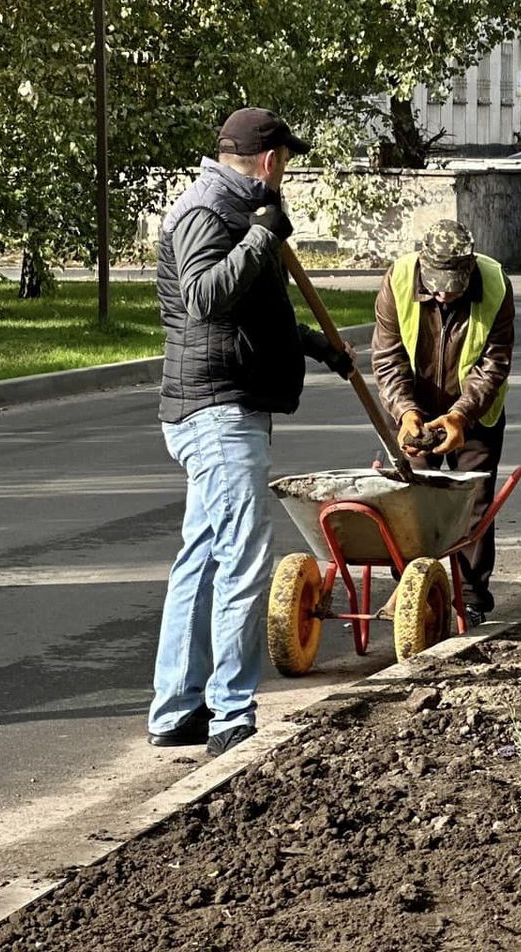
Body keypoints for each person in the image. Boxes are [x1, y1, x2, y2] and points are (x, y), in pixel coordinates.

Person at [149, 109, 355, 757]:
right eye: (286, 160)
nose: (286, 171)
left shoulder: (234, 213)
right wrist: (263, 236)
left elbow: (247, 322)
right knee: (241, 561)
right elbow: (206, 297)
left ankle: (176, 708)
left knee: (203, 558)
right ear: (269, 160)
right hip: (218, 413)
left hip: (218, 406)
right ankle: (231, 713)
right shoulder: (207, 211)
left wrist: (320, 347)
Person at [370, 220, 515, 626]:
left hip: (475, 413)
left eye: (452, 285)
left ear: (468, 271)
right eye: (436, 284)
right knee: (412, 499)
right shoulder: (398, 279)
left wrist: (460, 416)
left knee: (472, 501)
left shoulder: (495, 285)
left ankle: (470, 598)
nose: (443, 293)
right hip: (413, 406)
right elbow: (388, 357)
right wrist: (406, 412)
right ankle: (414, 589)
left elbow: (494, 363)